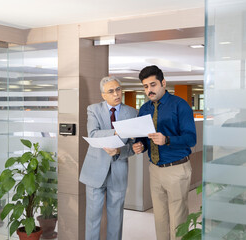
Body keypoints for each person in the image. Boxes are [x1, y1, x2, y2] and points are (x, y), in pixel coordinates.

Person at [132, 65, 196, 240]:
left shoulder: (180, 105)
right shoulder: (144, 109)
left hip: (177, 169)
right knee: (160, 218)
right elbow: (143, 139)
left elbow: (191, 139)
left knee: (178, 218)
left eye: (153, 85)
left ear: (163, 83)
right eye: (145, 87)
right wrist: (140, 146)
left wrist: (167, 139)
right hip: (155, 169)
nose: (149, 90)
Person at [79, 76, 137, 240]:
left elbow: (132, 146)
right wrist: (116, 132)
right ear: (103, 95)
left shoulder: (132, 112)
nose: (116, 94)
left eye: (118, 89)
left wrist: (121, 151)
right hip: (95, 171)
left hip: (118, 170)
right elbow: (92, 134)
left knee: (116, 218)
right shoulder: (93, 109)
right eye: (111, 91)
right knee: (92, 218)